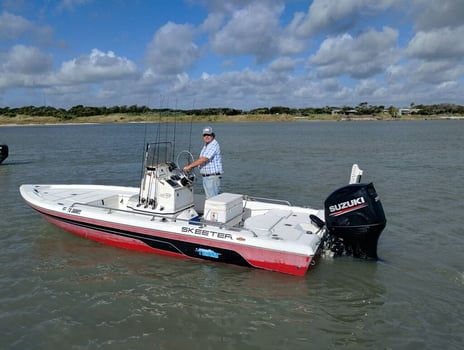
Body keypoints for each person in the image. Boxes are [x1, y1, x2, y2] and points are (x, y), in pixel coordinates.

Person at [183, 126, 223, 199]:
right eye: (205, 135)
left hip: (211, 177)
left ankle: (213, 210)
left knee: (212, 200)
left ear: (212, 135)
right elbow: (202, 159)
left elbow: (204, 159)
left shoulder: (213, 144)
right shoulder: (206, 145)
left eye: (208, 135)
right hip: (207, 177)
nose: (206, 137)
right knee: (210, 198)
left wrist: (189, 166)